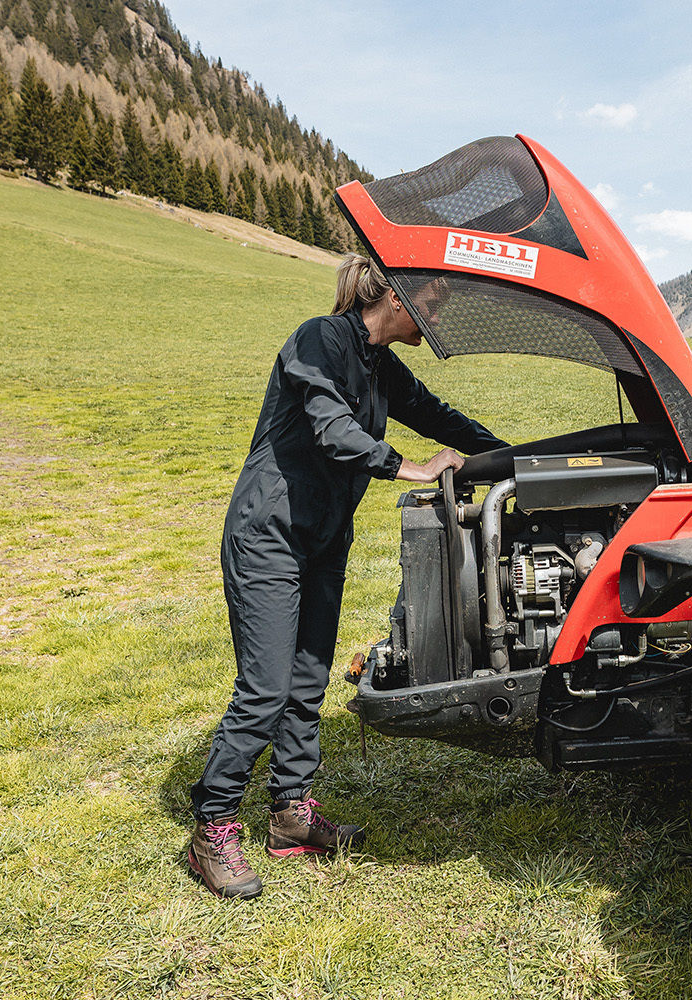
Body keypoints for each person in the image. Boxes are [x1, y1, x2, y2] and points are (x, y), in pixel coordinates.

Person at [187, 254, 507, 899]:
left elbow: (441, 418)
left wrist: (514, 457)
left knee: (307, 679)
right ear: (396, 295)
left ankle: (290, 817)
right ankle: (213, 823)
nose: (437, 318)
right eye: (435, 304)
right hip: (269, 534)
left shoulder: (382, 367)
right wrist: (411, 468)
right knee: (267, 686)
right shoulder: (320, 339)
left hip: (325, 537)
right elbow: (332, 432)